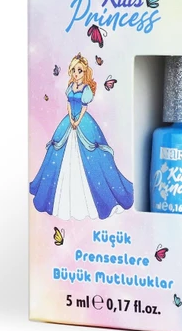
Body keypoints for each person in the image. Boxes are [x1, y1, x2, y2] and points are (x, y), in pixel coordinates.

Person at [30, 53, 133, 220]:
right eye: (74, 70)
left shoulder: (86, 89)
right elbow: (68, 104)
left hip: (83, 122)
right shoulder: (71, 86)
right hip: (70, 120)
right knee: (58, 150)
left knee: (92, 154)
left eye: (79, 70)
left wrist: (77, 121)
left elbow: (84, 107)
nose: (76, 73)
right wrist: (71, 119)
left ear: (85, 72)